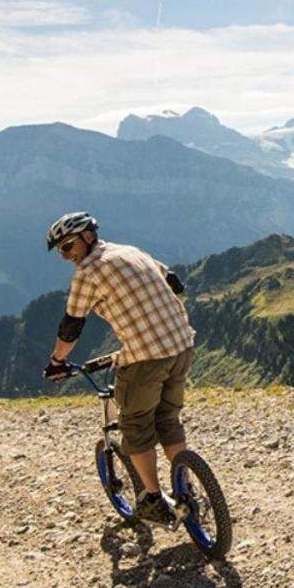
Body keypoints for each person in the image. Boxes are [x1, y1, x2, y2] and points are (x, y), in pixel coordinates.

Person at [43, 212, 194, 524]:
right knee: (167, 418)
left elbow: (71, 326)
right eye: (61, 251)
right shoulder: (130, 250)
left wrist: (57, 361)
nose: (67, 256)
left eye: (69, 246)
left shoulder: (87, 272)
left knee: (135, 426)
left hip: (146, 356)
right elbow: (174, 282)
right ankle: (187, 491)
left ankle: (153, 499)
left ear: (87, 237)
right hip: (182, 344)